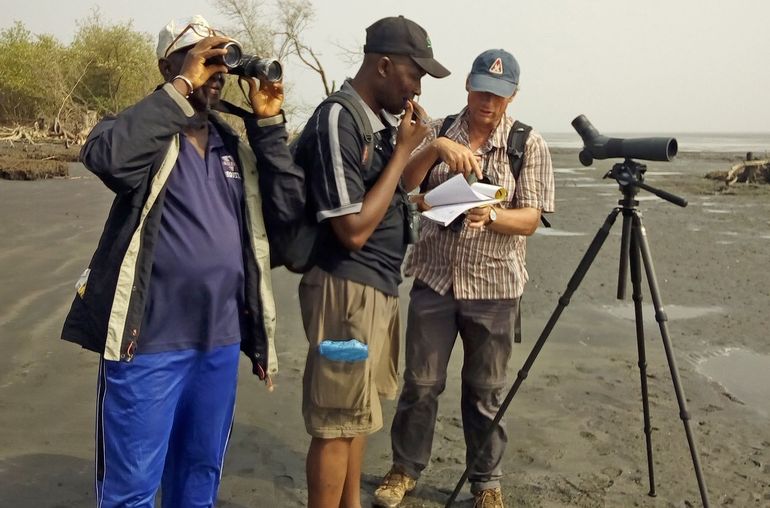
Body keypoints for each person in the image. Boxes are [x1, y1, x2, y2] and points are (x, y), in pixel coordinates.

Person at [60, 14, 292, 507]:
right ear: (168, 67)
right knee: (131, 491)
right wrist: (185, 84)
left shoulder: (235, 146)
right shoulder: (142, 134)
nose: (215, 72)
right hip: (148, 345)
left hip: (219, 342)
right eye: (201, 59)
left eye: (219, 62)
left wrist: (269, 125)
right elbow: (107, 157)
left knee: (199, 477)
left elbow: (289, 216)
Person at [373, 49, 556, 508]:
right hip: (434, 279)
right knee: (421, 383)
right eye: (480, 90)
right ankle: (403, 470)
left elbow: (531, 217)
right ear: (468, 87)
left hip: (495, 287)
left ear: (512, 95)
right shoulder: (438, 131)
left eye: (498, 94)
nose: (487, 102)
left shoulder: (527, 144)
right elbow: (405, 187)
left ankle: (486, 482)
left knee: (486, 391)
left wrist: (493, 215)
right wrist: (434, 150)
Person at [290, 15, 450, 508]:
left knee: (358, 415)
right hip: (345, 291)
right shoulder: (339, 118)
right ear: (382, 65)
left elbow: (390, 194)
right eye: (414, 74)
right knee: (335, 422)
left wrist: (416, 149)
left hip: (375, 289)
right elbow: (353, 229)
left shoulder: (376, 125)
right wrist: (405, 151)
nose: (418, 87)